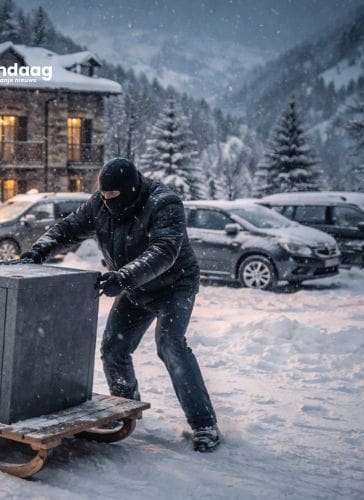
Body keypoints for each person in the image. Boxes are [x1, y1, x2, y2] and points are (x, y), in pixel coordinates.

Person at [20, 158, 220, 452]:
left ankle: (204, 425)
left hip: (174, 286)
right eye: (105, 196)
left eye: (114, 197)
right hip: (136, 286)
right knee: (114, 347)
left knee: (170, 345)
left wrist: (124, 277)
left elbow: (164, 251)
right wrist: (39, 251)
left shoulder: (164, 203)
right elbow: (68, 228)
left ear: (131, 189)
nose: (109, 203)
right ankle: (124, 408)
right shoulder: (99, 204)